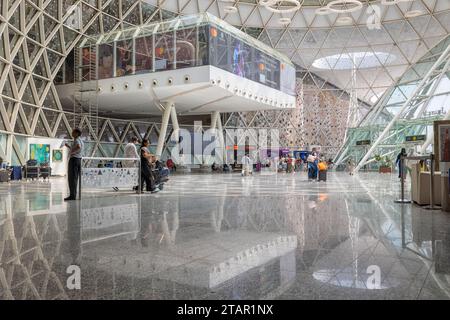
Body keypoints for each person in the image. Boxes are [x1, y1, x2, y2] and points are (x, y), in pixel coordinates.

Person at [64, 128, 84, 201]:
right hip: (78, 160)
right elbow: (77, 147)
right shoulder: (81, 140)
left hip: (74, 160)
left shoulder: (77, 140)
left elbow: (78, 147)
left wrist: (73, 152)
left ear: (77, 133)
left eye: (73, 132)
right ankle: (73, 194)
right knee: (74, 178)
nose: (72, 133)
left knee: (72, 178)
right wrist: (68, 146)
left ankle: (72, 196)